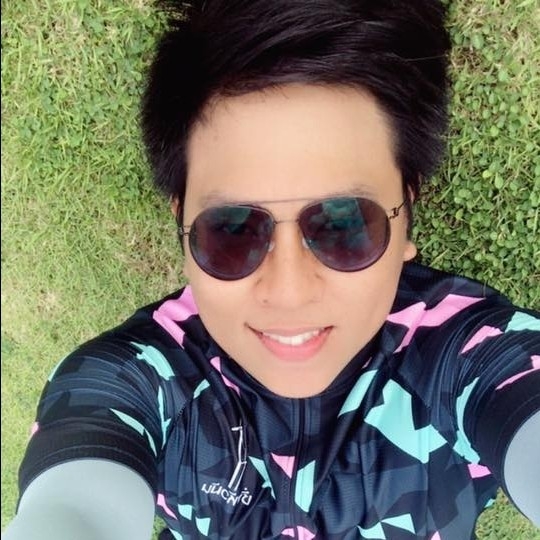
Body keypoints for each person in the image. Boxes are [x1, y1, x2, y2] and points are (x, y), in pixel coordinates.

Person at [3, 1, 539, 539]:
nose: (288, 292)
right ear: (181, 222)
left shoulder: (472, 356)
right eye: (233, 229)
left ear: (407, 210)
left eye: (344, 223)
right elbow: (74, 509)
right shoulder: (135, 379)